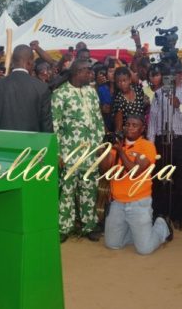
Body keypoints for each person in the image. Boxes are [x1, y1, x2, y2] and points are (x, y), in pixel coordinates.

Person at [100, 115, 173, 254]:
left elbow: (134, 171)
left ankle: (162, 225)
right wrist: (105, 150)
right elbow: (104, 169)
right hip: (118, 203)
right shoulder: (117, 144)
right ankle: (136, 233)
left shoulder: (147, 146)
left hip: (139, 203)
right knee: (112, 244)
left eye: (135, 125)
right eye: (127, 124)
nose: (130, 128)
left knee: (144, 250)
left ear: (142, 129)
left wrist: (121, 152)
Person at [52, 59, 105, 242]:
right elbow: (55, 126)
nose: (91, 74)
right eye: (87, 71)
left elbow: (98, 120)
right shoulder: (60, 94)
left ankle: (88, 225)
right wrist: (57, 152)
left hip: (90, 153)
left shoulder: (91, 92)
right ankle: (64, 227)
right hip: (69, 154)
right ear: (77, 72)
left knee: (89, 189)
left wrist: (98, 144)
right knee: (66, 191)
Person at [147, 64, 182, 230]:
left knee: (180, 180)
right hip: (162, 140)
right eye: (171, 75)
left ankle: (177, 215)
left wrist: (178, 105)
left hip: (180, 140)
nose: (175, 78)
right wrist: (151, 143)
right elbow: (152, 120)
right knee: (161, 178)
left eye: (177, 74)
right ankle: (160, 212)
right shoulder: (159, 94)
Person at [0, 45, 53, 132]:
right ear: (30, 62)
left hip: (3, 143)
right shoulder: (42, 87)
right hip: (32, 144)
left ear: (13, 61)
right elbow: (46, 126)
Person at [112, 66, 147, 132]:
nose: (122, 84)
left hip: (141, 130)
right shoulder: (118, 99)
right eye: (118, 82)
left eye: (124, 80)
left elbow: (136, 79)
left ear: (130, 80)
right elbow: (118, 126)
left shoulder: (138, 90)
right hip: (129, 133)